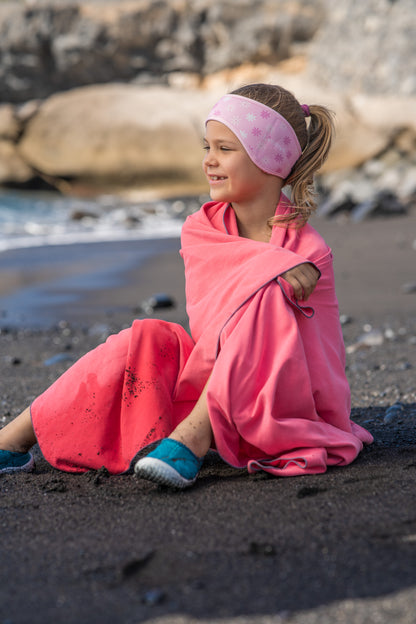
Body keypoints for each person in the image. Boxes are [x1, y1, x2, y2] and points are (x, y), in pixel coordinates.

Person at [0, 83, 373, 488]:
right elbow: (210, 322)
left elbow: (299, 355)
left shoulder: (308, 252)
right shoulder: (202, 229)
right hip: (217, 378)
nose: (208, 162)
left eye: (224, 149)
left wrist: (278, 272)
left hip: (287, 401)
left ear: (269, 158)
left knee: (266, 296)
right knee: (147, 336)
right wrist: (274, 266)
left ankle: (192, 440)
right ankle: (14, 438)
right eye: (207, 147)